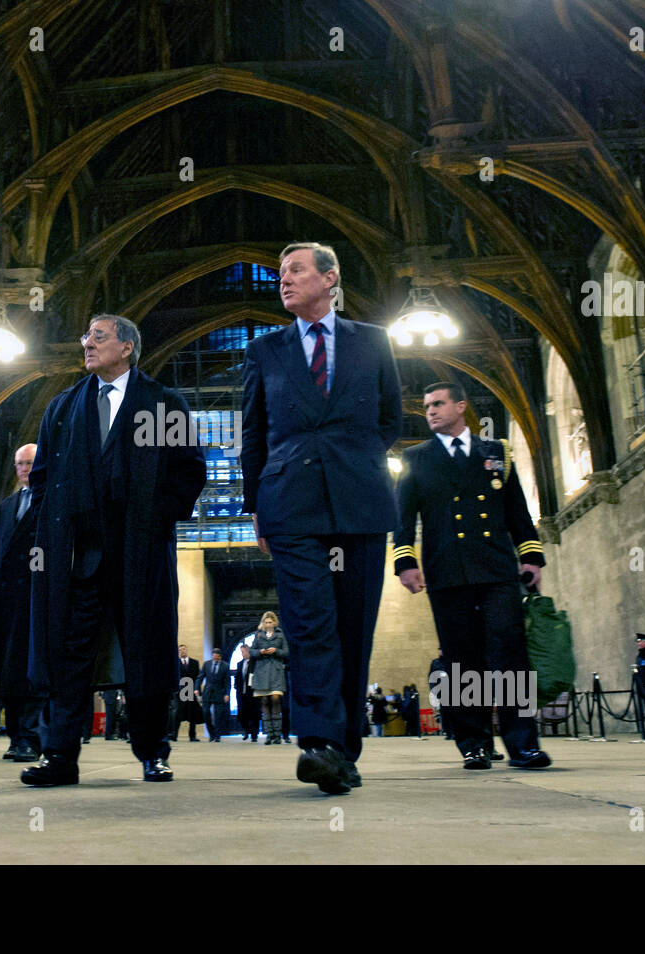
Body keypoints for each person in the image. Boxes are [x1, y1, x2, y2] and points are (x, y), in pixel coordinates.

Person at [241, 241, 403, 794]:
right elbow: (253, 433)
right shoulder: (265, 350)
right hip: (289, 503)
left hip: (359, 500)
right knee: (310, 623)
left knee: (353, 624)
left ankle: (345, 747)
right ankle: (318, 743)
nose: (283, 280)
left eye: (294, 270)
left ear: (329, 278)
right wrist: (255, 505)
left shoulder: (374, 343)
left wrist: (351, 460)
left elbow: (388, 420)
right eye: (280, 273)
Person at [21, 313, 206, 786]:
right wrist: (51, 529)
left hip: (140, 555)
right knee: (68, 654)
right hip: (78, 558)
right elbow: (41, 479)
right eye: (85, 335)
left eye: (98, 336)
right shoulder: (62, 408)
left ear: (127, 348)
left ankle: (152, 752)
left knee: (145, 655)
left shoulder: (163, 404)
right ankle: (59, 755)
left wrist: (155, 518)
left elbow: (189, 472)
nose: (86, 343)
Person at [394, 381, 551, 771]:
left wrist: (531, 557)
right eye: (427, 405)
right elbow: (403, 518)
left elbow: (517, 511)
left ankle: (522, 745)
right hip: (448, 571)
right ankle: (474, 744)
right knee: (462, 662)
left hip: (497, 569)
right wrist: (405, 562)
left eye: (438, 404)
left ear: (461, 406)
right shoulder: (416, 458)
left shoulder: (497, 452)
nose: (430, 411)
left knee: (510, 656)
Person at [0, 443, 47, 763]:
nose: (24, 469)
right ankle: (16, 735)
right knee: (7, 670)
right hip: (6, 599)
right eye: (20, 464)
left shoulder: (51, 500)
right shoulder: (6, 506)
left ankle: (31, 738)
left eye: (30, 463)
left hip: (35, 596)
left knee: (30, 667)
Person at [249, 612, 289, 744]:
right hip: (261, 671)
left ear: (274, 622)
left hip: (276, 671)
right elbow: (251, 651)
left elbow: (287, 652)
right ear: (263, 623)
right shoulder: (258, 634)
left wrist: (276, 651)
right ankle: (268, 734)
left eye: (270, 622)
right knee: (265, 701)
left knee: (275, 699)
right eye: (266, 622)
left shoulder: (280, 635)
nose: (268, 624)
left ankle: (277, 734)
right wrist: (260, 652)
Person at [170, 644, 202, 742]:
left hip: (191, 691)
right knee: (177, 713)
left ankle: (192, 736)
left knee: (192, 714)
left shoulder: (194, 663)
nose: (182, 651)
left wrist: (197, 691)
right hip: (179, 692)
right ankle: (174, 735)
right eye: (180, 650)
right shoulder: (175, 663)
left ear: (186, 650)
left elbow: (198, 678)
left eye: (184, 649)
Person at [197, 647, 230, 741]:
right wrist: (197, 688)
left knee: (218, 715)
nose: (215, 659)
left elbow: (227, 681)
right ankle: (212, 733)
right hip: (207, 693)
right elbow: (200, 677)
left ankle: (217, 735)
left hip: (219, 693)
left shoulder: (225, 666)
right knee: (205, 712)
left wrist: (227, 694)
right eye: (213, 657)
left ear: (220, 657)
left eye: (217, 658)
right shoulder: (206, 664)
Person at [235, 642, 260, 742]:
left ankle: (254, 734)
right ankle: (246, 730)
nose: (242, 654)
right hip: (242, 693)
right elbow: (237, 677)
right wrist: (236, 687)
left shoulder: (255, 663)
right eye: (241, 652)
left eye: (243, 652)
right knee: (242, 713)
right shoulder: (240, 664)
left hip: (253, 693)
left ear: (248, 651)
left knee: (254, 713)